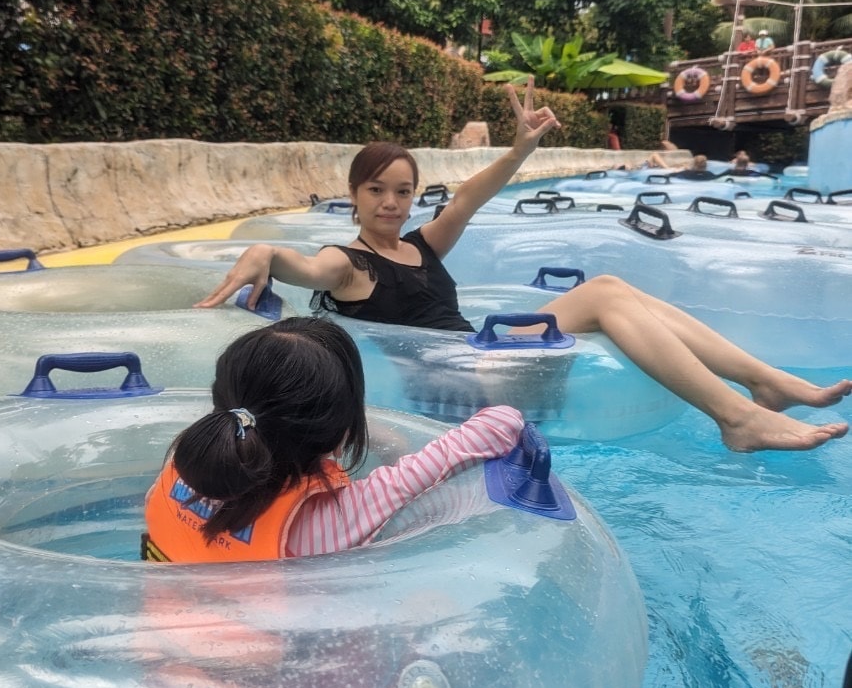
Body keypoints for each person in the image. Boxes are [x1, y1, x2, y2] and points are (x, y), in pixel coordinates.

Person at [197, 81, 851, 453]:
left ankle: (764, 383)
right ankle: (734, 416)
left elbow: (474, 193)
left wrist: (520, 149)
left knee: (611, 286)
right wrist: (268, 255)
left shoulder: (423, 243)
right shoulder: (350, 262)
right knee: (603, 297)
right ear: (356, 194)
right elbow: (308, 269)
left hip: (488, 362)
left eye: (402, 190)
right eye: (376, 191)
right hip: (463, 388)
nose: (391, 203)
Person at [142, 317, 523, 563]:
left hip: (162, 657)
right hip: (261, 681)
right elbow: (500, 424)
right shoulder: (329, 522)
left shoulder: (183, 465)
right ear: (340, 426)